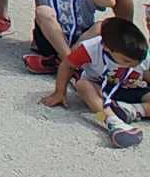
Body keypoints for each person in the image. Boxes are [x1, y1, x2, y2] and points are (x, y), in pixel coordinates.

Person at [50, 17, 150, 148]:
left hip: (132, 88)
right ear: (106, 47)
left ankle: (132, 111)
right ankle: (110, 121)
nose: (133, 65)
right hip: (100, 89)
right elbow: (67, 65)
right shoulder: (90, 49)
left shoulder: (141, 54)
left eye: (137, 62)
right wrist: (59, 92)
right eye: (126, 61)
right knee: (82, 85)